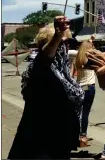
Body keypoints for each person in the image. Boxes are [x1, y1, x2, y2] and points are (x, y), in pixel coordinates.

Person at [8, 16, 85, 159]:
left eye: (68, 42)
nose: (67, 46)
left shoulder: (61, 70)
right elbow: (46, 56)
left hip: (59, 144)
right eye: (64, 43)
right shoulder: (41, 67)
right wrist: (58, 35)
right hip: (39, 146)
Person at [76, 37, 105, 145]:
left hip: (78, 87)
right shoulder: (91, 58)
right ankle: (83, 136)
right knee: (85, 113)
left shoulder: (78, 58)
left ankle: (75, 134)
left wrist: (90, 40)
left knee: (78, 112)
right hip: (88, 87)